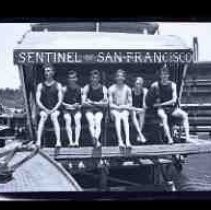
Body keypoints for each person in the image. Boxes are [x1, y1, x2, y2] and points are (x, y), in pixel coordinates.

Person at [150, 64, 190, 144]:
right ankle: (169, 139)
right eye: (162, 74)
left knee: (185, 115)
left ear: (168, 75)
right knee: (164, 117)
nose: (164, 76)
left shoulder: (173, 85)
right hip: (161, 109)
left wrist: (161, 104)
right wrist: (156, 104)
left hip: (171, 108)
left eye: (166, 74)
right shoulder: (155, 85)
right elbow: (151, 97)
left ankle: (187, 137)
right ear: (160, 75)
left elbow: (174, 100)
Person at [36, 65, 63, 147]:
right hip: (44, 109)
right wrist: (45, 109)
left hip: (56, 109)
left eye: (49, 70)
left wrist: (53, 110)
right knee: (43, 117)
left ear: (53, 72)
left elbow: (60, 100)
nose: (47, 73)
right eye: (45, 71)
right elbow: (38, 101)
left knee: (54, 117)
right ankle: (38, 141)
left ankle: (58, 141)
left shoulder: (58, 85)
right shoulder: (40, 85)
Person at [82, 70, 108, 147]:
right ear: (90, 78)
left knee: (97, 121)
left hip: (99, 110)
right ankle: (95, 140)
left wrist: (92, 103)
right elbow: (83, 102)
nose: (94, 79)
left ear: (99, 78)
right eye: (93, 77)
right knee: (91, 121)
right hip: (89, 110)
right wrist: (98, 103)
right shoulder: (87, 87)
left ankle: (95, 138)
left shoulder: (103, 88)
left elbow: (106, 103)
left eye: (96, 78)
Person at [108, 69, 132, 148]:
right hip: (115, 109)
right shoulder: (111, 88)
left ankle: (127, 141)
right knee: (118, 117)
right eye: (118, 76)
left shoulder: (128, 88)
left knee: (125, 118)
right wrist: (118, 107)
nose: (120, 78)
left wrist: (123, 106)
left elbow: (130, 103)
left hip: (124, 109)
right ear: (115, 78)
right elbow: (110, 104)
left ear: (124, 78)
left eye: (121, 76)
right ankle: (120, 141)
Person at [62, 70, 82, 147]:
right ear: (68, 79)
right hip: (66, 109)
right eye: (70, 78)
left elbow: (81, 103)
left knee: (77, 118)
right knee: (68, 119)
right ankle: (70, 141)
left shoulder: (80, 89)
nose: (72, 80)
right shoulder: (64, 89)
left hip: (76, 109)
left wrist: (76, 105)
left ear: (76, 79)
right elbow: (60, 102)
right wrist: (67, 106)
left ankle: (76, 141)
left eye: (73, 78)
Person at [131, 77, 147, 143]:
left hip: (141, 109)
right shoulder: (131, 91)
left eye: (140, 84)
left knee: (142, 113)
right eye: (137, 83)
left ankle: (139, 135)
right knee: (133, 113)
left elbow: (144, 105)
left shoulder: (144, 91)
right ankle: (140, 134)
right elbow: (129, 105)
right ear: (134, 84)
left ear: (142, 84)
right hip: (132, 109)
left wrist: (142, 109)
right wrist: (136, 109)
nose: (138, 85)